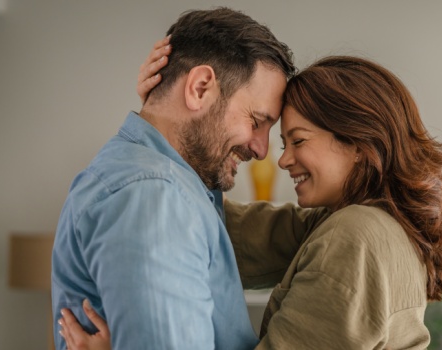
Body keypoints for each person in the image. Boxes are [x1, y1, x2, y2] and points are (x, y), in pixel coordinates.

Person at [59, 48, 442, 349]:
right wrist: (169, 118)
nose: (279, 157)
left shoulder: (357, 237)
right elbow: (228, 232)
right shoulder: (369, 225)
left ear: (360, 143)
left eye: (298, 140)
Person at [50, 8, 297, 350]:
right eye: (256, 120)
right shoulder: (152, 197)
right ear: (199, 88)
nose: (260, 149)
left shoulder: (169, 180)